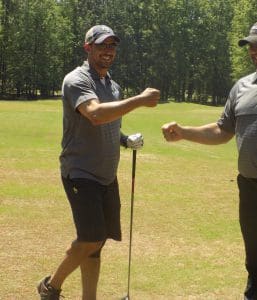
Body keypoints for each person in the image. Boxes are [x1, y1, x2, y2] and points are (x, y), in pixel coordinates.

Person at [162, 18, 257, 299]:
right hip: (251, 192)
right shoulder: (242, 87)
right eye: (250, 46)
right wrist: (184, 133)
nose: (253, 51)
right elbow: (222, 130)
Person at [37, 25, 160, 300]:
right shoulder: (76, 80)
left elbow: (109, 124)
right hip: (80, 171)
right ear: (88, 47)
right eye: (102, 45)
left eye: (112, 46)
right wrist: (139, 100)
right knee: (90, 237)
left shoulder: (112, 85)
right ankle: (50, 287)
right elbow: (94, 114)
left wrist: (125, 139)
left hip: (106, 174)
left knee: (97, 243)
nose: (108, 50)